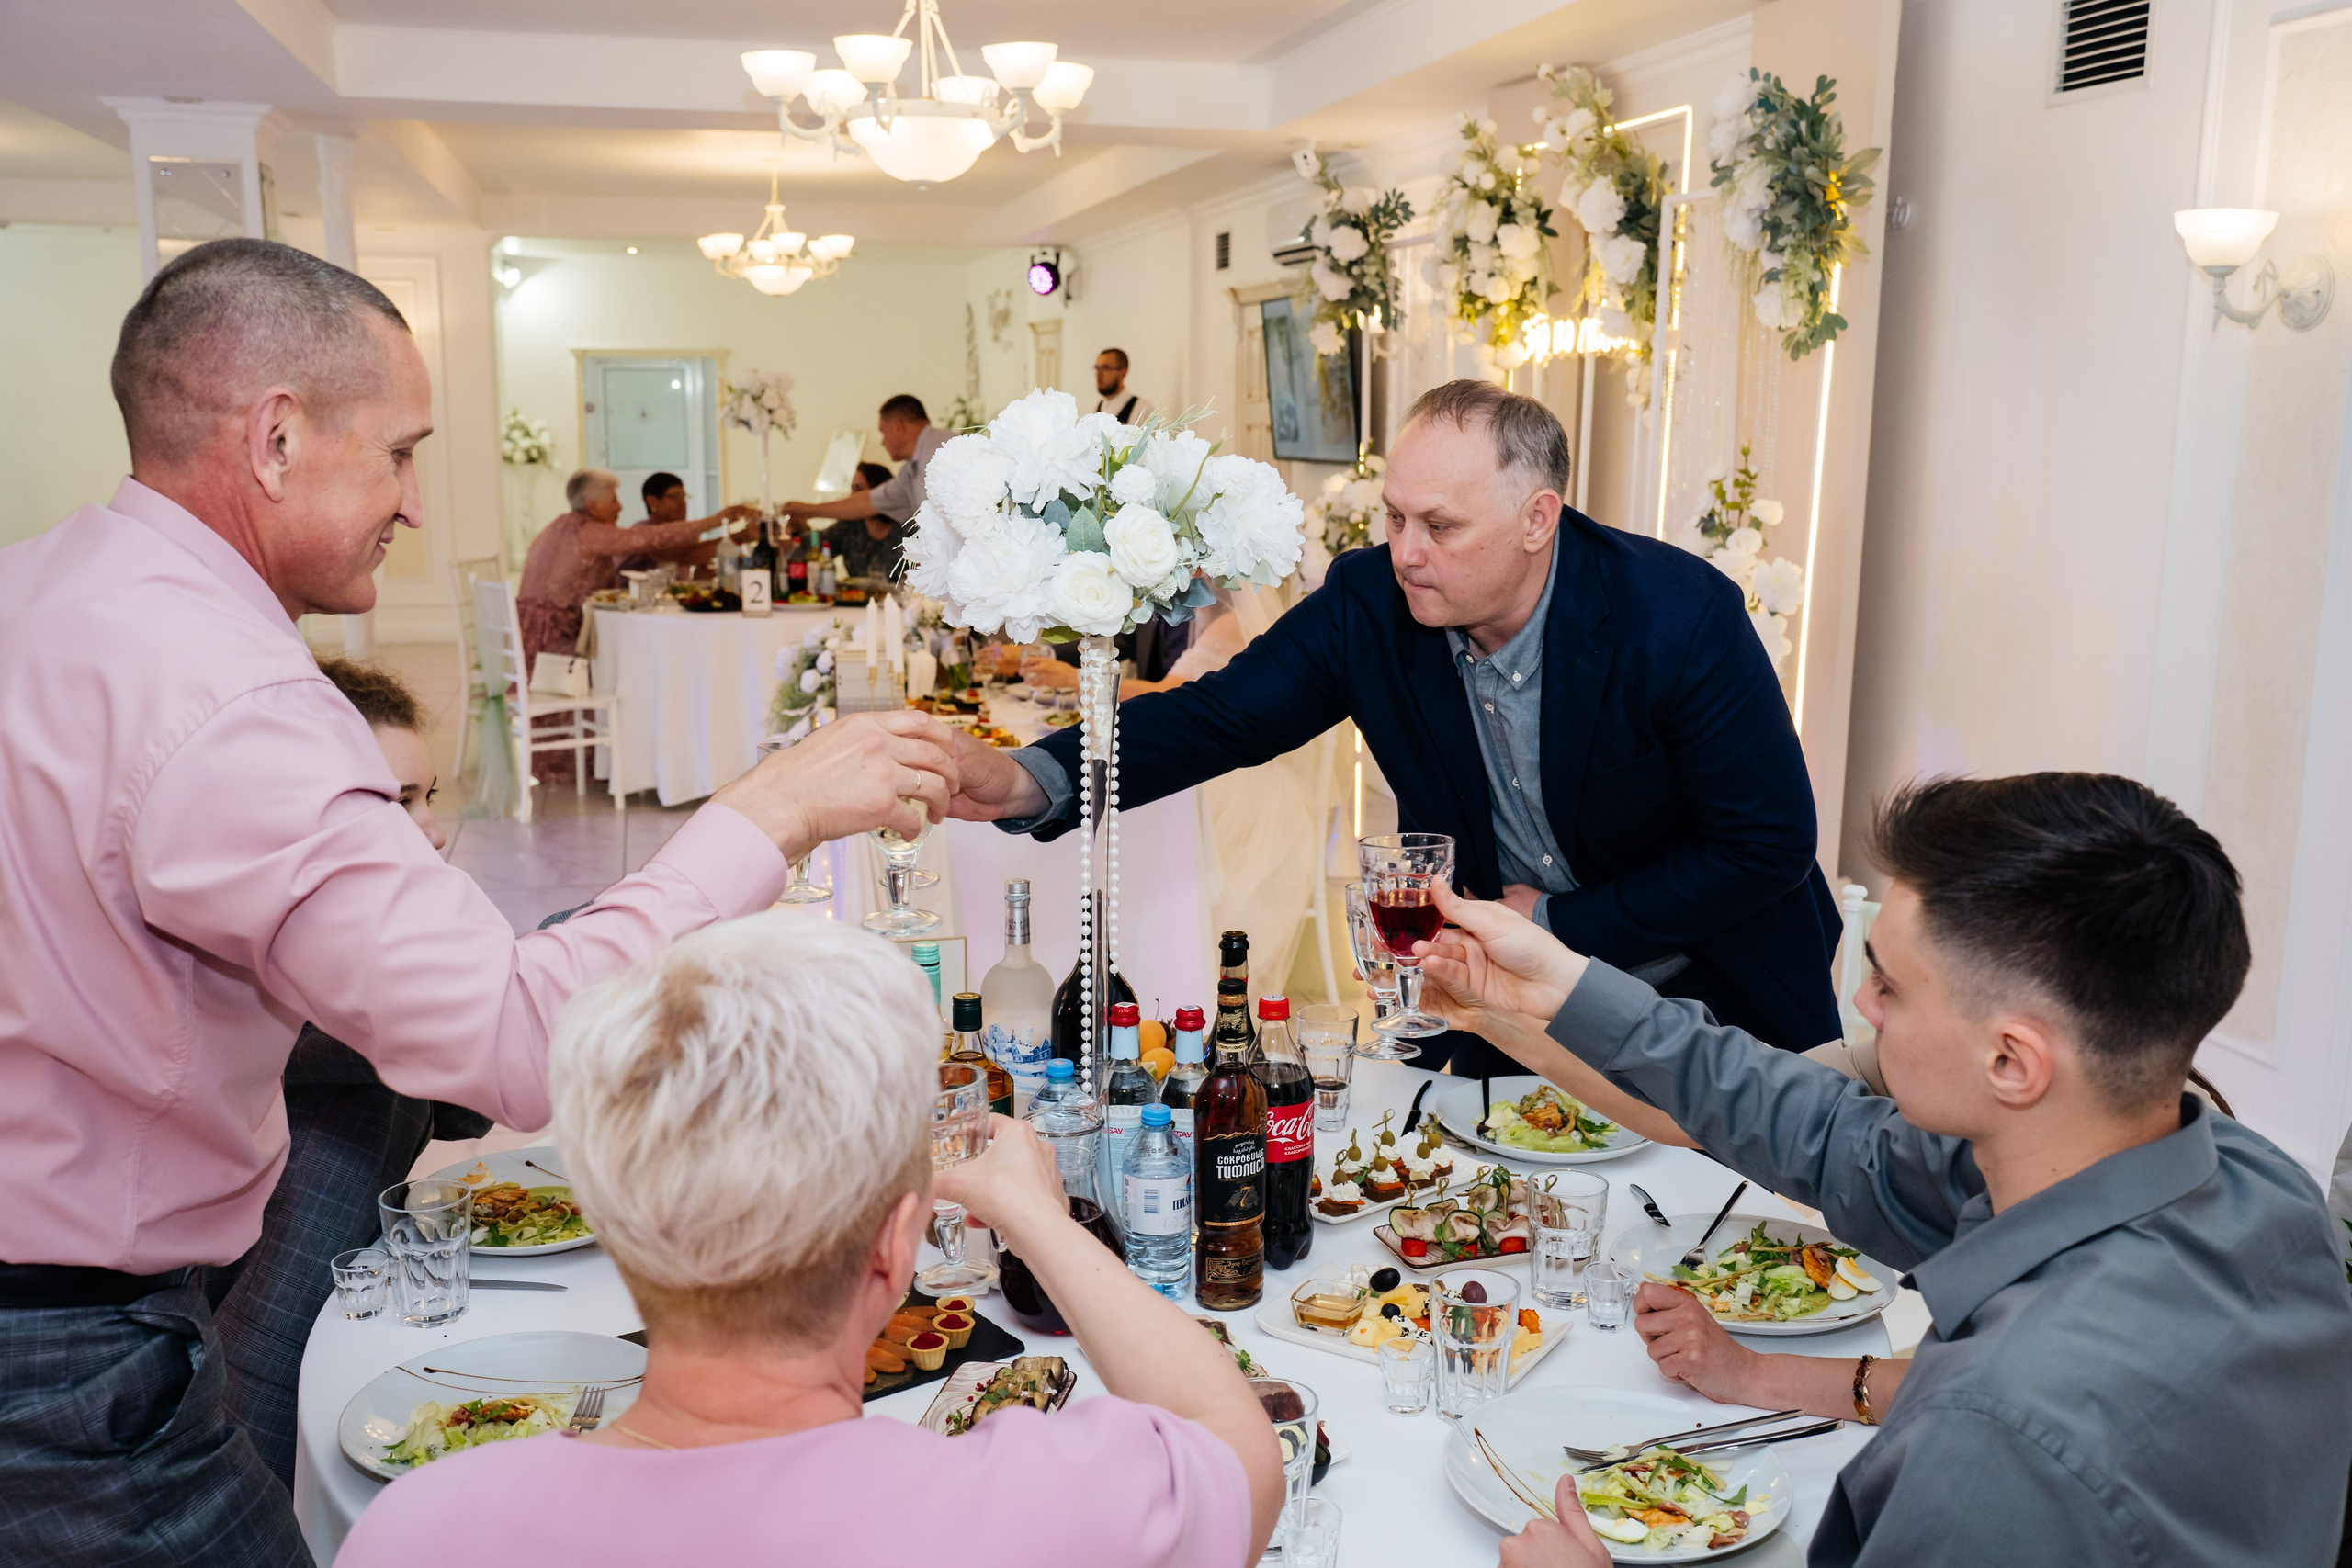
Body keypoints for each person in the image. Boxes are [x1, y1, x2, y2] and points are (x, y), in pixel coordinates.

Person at [0, 237, 960, 1567]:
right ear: (275, 437)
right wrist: (771, 808)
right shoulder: (236, 701)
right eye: (399, 452)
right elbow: (512, 1043)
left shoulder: (37, 586)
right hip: (61, 1358)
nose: (412, 500)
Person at [1420, 773, 2352, 1568]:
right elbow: (1815, 1128)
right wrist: (1558, 987)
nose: (1863, 1003)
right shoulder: (2254, 1182)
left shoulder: (1997, 1443)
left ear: (2011, 1063)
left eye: (1891, 986)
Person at [951, 378, 1840, 1075]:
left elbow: (1765, 845)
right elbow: (1217, 718)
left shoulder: (1676, 617)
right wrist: (1031, 779)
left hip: (1709, 1003)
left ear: (1538, 519)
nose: (1404, 551)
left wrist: (1562, 918)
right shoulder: (1370, 601)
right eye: (1395, 517)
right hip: (1504, 1014)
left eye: (1439, 526)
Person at [336, 915, 1283, 1568]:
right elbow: (1238, 1441)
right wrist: (1037, 1217)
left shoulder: (416, 1531)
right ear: (891, 1251)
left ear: (617, 1231)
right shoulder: (1029, 1511)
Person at [205, 658, 492, 1489]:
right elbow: (473, 1041)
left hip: (345, 1309)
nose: (433, 828)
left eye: (431, 795)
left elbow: (456, 1102)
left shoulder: (362, 946)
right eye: (398, 800)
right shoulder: (279, 972)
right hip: (250, 1370)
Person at [517, 467, 754, 662]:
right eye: (614, 500)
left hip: (534, 634)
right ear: (592, 506)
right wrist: (714, 521)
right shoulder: (586, 532)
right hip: (555, 644)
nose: (620, 507)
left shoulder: (559, 526)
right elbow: (647, 539)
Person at [780, 394, 944, 539]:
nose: (882, 441)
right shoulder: (910, 471)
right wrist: (808, 510)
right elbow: (869, 501)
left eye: (883, 431)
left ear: (898, 426)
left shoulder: (940, 448)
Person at [825, 460, 908, 583]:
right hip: (854, 600)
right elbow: (815, 548)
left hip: (904, 601)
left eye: (858, 489)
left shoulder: (908, 527)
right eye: (852, 489)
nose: (852, 496)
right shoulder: (850, 526)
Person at [1092, 347, 1156, 424]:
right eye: (1097, 368)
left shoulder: (1143, 410)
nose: (1098, 374)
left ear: (1123, 372)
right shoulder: (1094, 411)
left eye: (1105, 368)